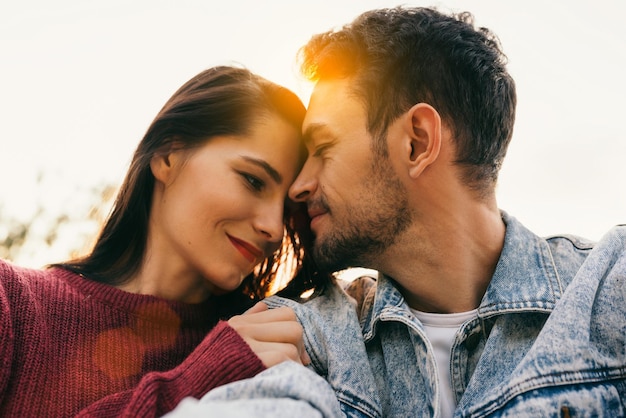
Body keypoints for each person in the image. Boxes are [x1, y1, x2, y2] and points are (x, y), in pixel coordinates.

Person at [166, 6, 626, 418]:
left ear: (417, 142)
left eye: (323, 147)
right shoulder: (313, 334)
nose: (300, 186)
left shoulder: (608, 292)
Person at [0, 65, 327, 417]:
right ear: (167, 156)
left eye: (288, 210)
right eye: (253, 181)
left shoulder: (277, 342)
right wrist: (197, 380)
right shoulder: (13, 305)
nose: (274, 229)